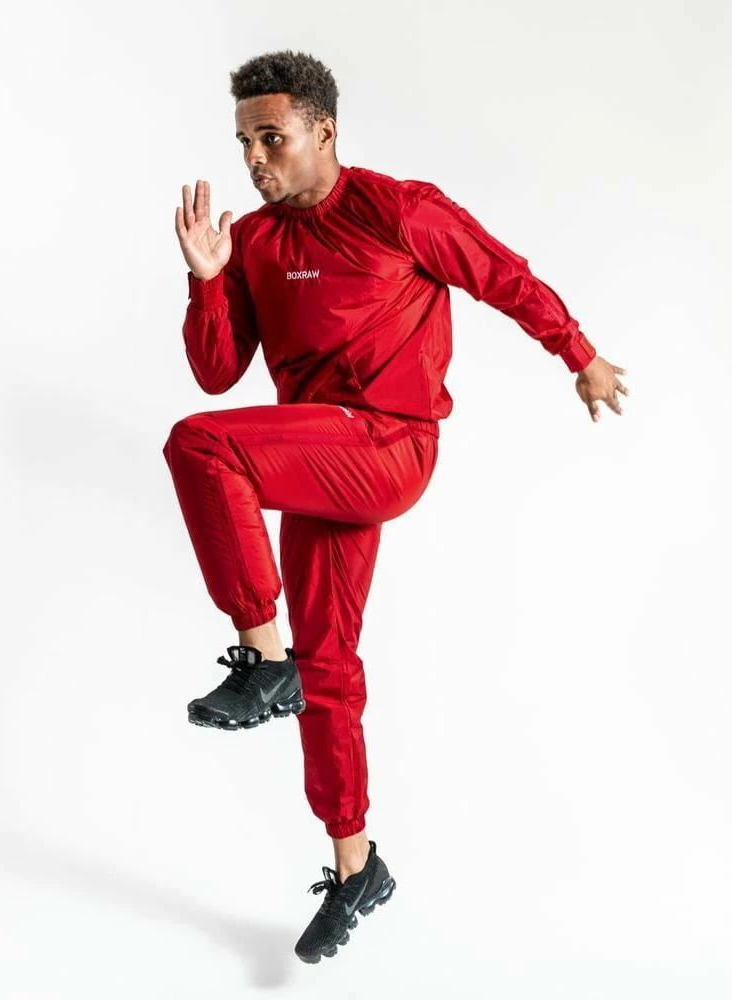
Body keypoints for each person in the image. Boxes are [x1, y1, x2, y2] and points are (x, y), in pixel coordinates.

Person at [163, 49, 629, 964]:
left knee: (202, 445)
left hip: (388, 444)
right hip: (317, 455)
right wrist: (208, 277)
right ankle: (355, 866)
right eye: (244, 142)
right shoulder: (253, 241)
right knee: (329, 666)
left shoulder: (397, 209)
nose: (254, 159)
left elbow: (502, 274)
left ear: (323, 130)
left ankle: (263, 658)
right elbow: (216, 370)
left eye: (272, 137)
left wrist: (579, 354)